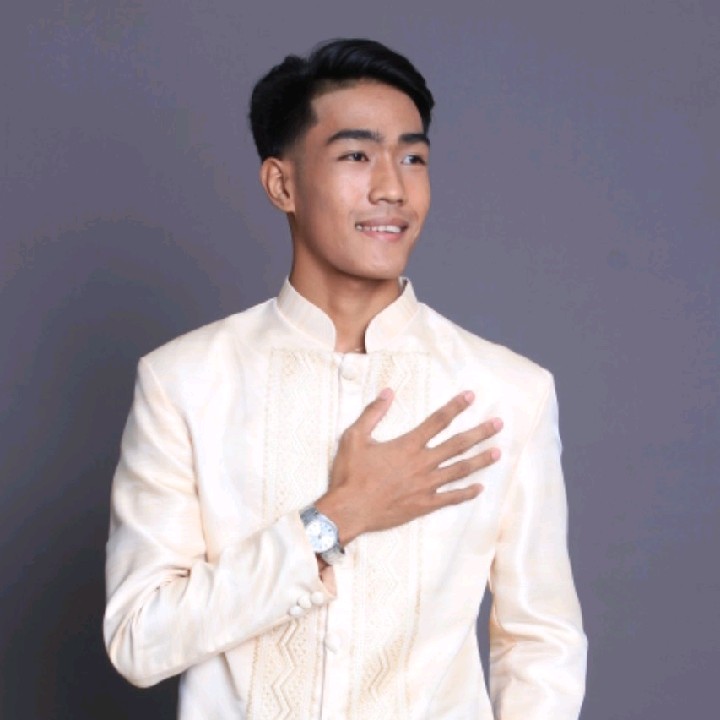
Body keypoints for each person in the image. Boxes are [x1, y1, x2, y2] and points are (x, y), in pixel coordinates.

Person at [104, 38, 587, 719]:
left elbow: (541, 643)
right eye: (357, 156)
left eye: (412, 158)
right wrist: (335, 518)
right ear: (283, 185)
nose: (392, 188)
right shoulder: (184, 382)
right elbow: (139, 639)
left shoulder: (509, 392)